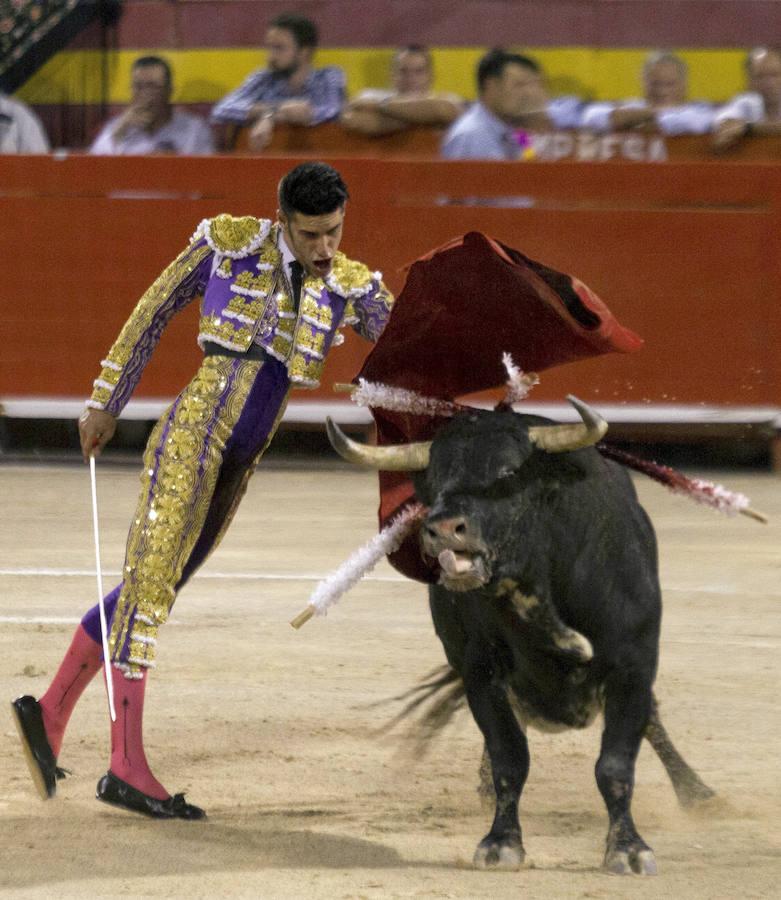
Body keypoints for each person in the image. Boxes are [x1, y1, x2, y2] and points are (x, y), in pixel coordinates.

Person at [11, 162, 393, 819]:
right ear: (282, 222)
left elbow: (410, 340)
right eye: (309, 235)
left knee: (154, 585)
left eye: (333, 231)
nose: (324, 248)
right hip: (194, 436)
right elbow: (153, 311)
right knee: (151, 588)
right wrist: (106, 399)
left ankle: (47, 714)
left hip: (242, 458)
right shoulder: (230, 242)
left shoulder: (349, 284)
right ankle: (125, 767)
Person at [210, 13, 345, 152]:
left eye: (279, 48)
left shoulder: (329, 76)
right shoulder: (263, 78)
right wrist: (275, 110)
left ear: (304, 51)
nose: (271, 56)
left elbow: (333, 111)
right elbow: (222, 109)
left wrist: (273, 118)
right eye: (269, 47)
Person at [441, 49, 583, 160]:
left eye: (534, 85)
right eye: (519, 85)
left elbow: (529, 161)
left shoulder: (516, 129)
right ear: (491, 86)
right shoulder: (471, 135)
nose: (529, 94)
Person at [89, 55, 214, 155]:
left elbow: (209, 179)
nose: (145, 95)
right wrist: (119, 130)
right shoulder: (118, 128)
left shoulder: (194, 130)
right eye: (138, 87)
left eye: (153, 87)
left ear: (169, 91)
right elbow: (91, 173)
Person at [580, 51, 715, 135]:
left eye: (670, 84)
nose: (662, 91)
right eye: (655, 84)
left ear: (684, 84)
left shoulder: (699, 110)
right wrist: (651, 113)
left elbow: (689, 123)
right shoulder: (632, 104)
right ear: (643, 82)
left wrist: (629, 121)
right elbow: (591, 117)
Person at [340, 45, 464, 137]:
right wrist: (424, 118)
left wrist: (378, 106)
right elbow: (351, 119)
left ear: (430, 76)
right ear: (392, 74)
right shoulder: (370, 95)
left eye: (419, 71)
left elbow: (445, 109)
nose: (411, 78)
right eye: (403, 71)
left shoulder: (448, 98)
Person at [712, 46, 781, 150]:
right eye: (760, 76)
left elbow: (745, 127)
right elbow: (724, 123)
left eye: (775, 75)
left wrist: (748, 128)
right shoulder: (745, 102)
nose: (769, 83)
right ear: (749, 81)